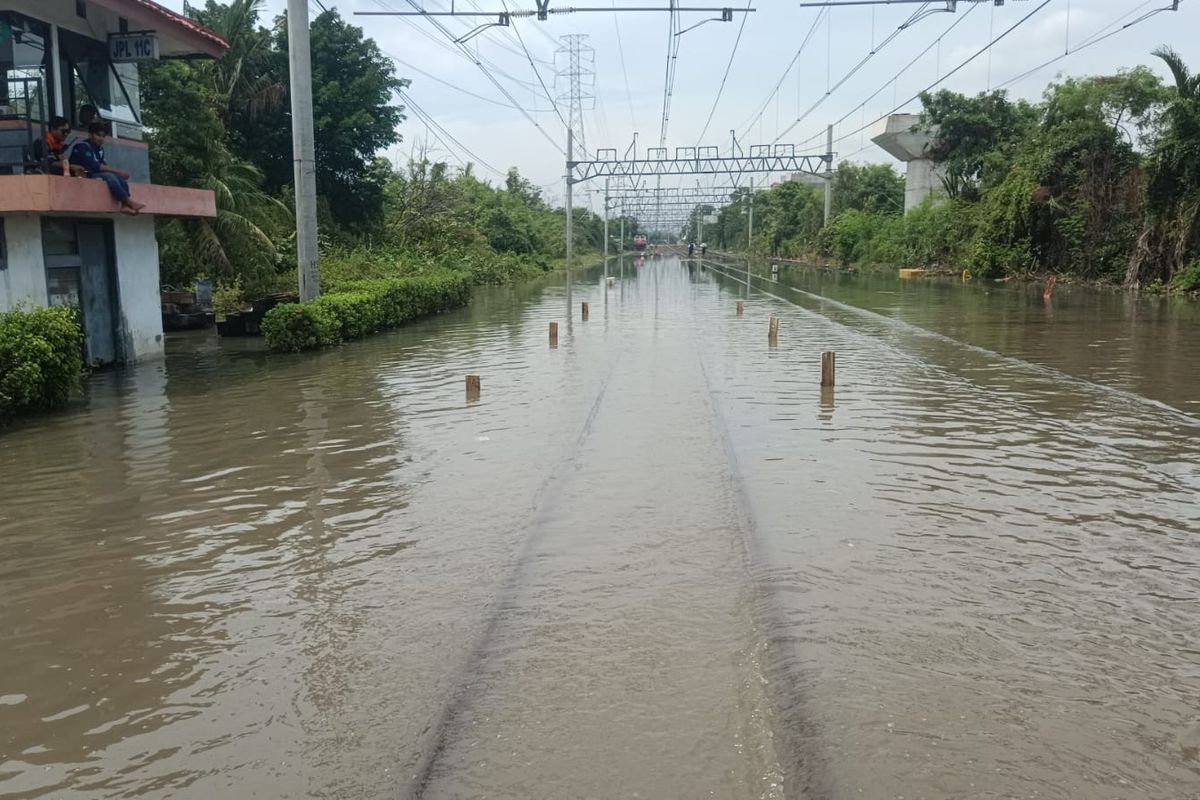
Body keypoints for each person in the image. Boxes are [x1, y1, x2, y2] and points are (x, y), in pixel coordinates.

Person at [70, 122, 145, 214]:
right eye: (98, 135)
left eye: (103, 136)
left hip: (94, 173)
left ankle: (124, 205)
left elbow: (102, 165)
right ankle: (128, 201)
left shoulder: (100, 149)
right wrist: (118, 171)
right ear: (90, 134)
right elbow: (95, 166)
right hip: (84, 173)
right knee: (110, 176)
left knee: (119, 178)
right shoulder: (82, 146)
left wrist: (119, 174)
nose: (101, 139)